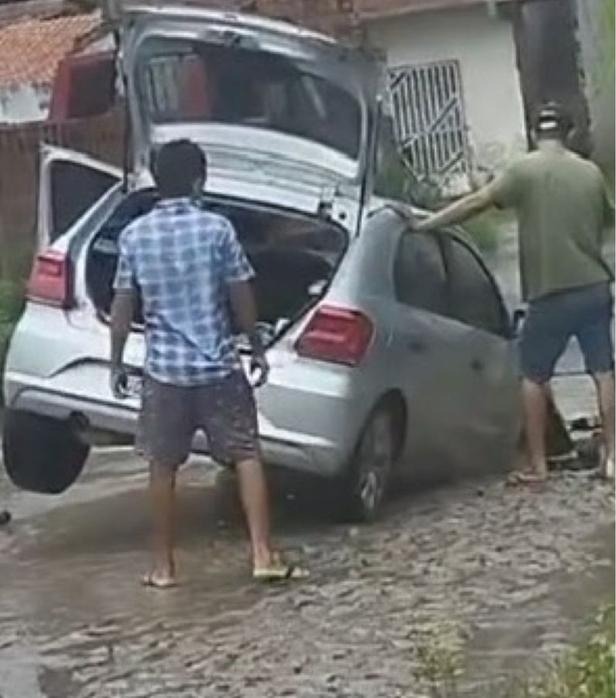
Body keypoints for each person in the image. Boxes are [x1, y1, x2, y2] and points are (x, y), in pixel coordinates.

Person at [110, 139, 307, 587]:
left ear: (157, 182)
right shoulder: (218, 229)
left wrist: (116, 363)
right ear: (200, 180)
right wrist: (255, 347)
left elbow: (123, 307)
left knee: (162, 465)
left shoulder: (134, 236)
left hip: (164, 373)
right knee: (246, 454)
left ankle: (163, 568)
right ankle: (262, 555)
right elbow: (241, 294)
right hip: (219, 367)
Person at [414, 103, 615, 483]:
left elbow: (477, 203)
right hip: (594, 286)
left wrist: (428, 224)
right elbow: (607, 220)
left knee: (533, 376)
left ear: (536, 133)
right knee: (604, 370)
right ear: (568, 133)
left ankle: (538, 466)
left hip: (549, 290)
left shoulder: (523, 171)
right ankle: (612, 459)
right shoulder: (590, 173)